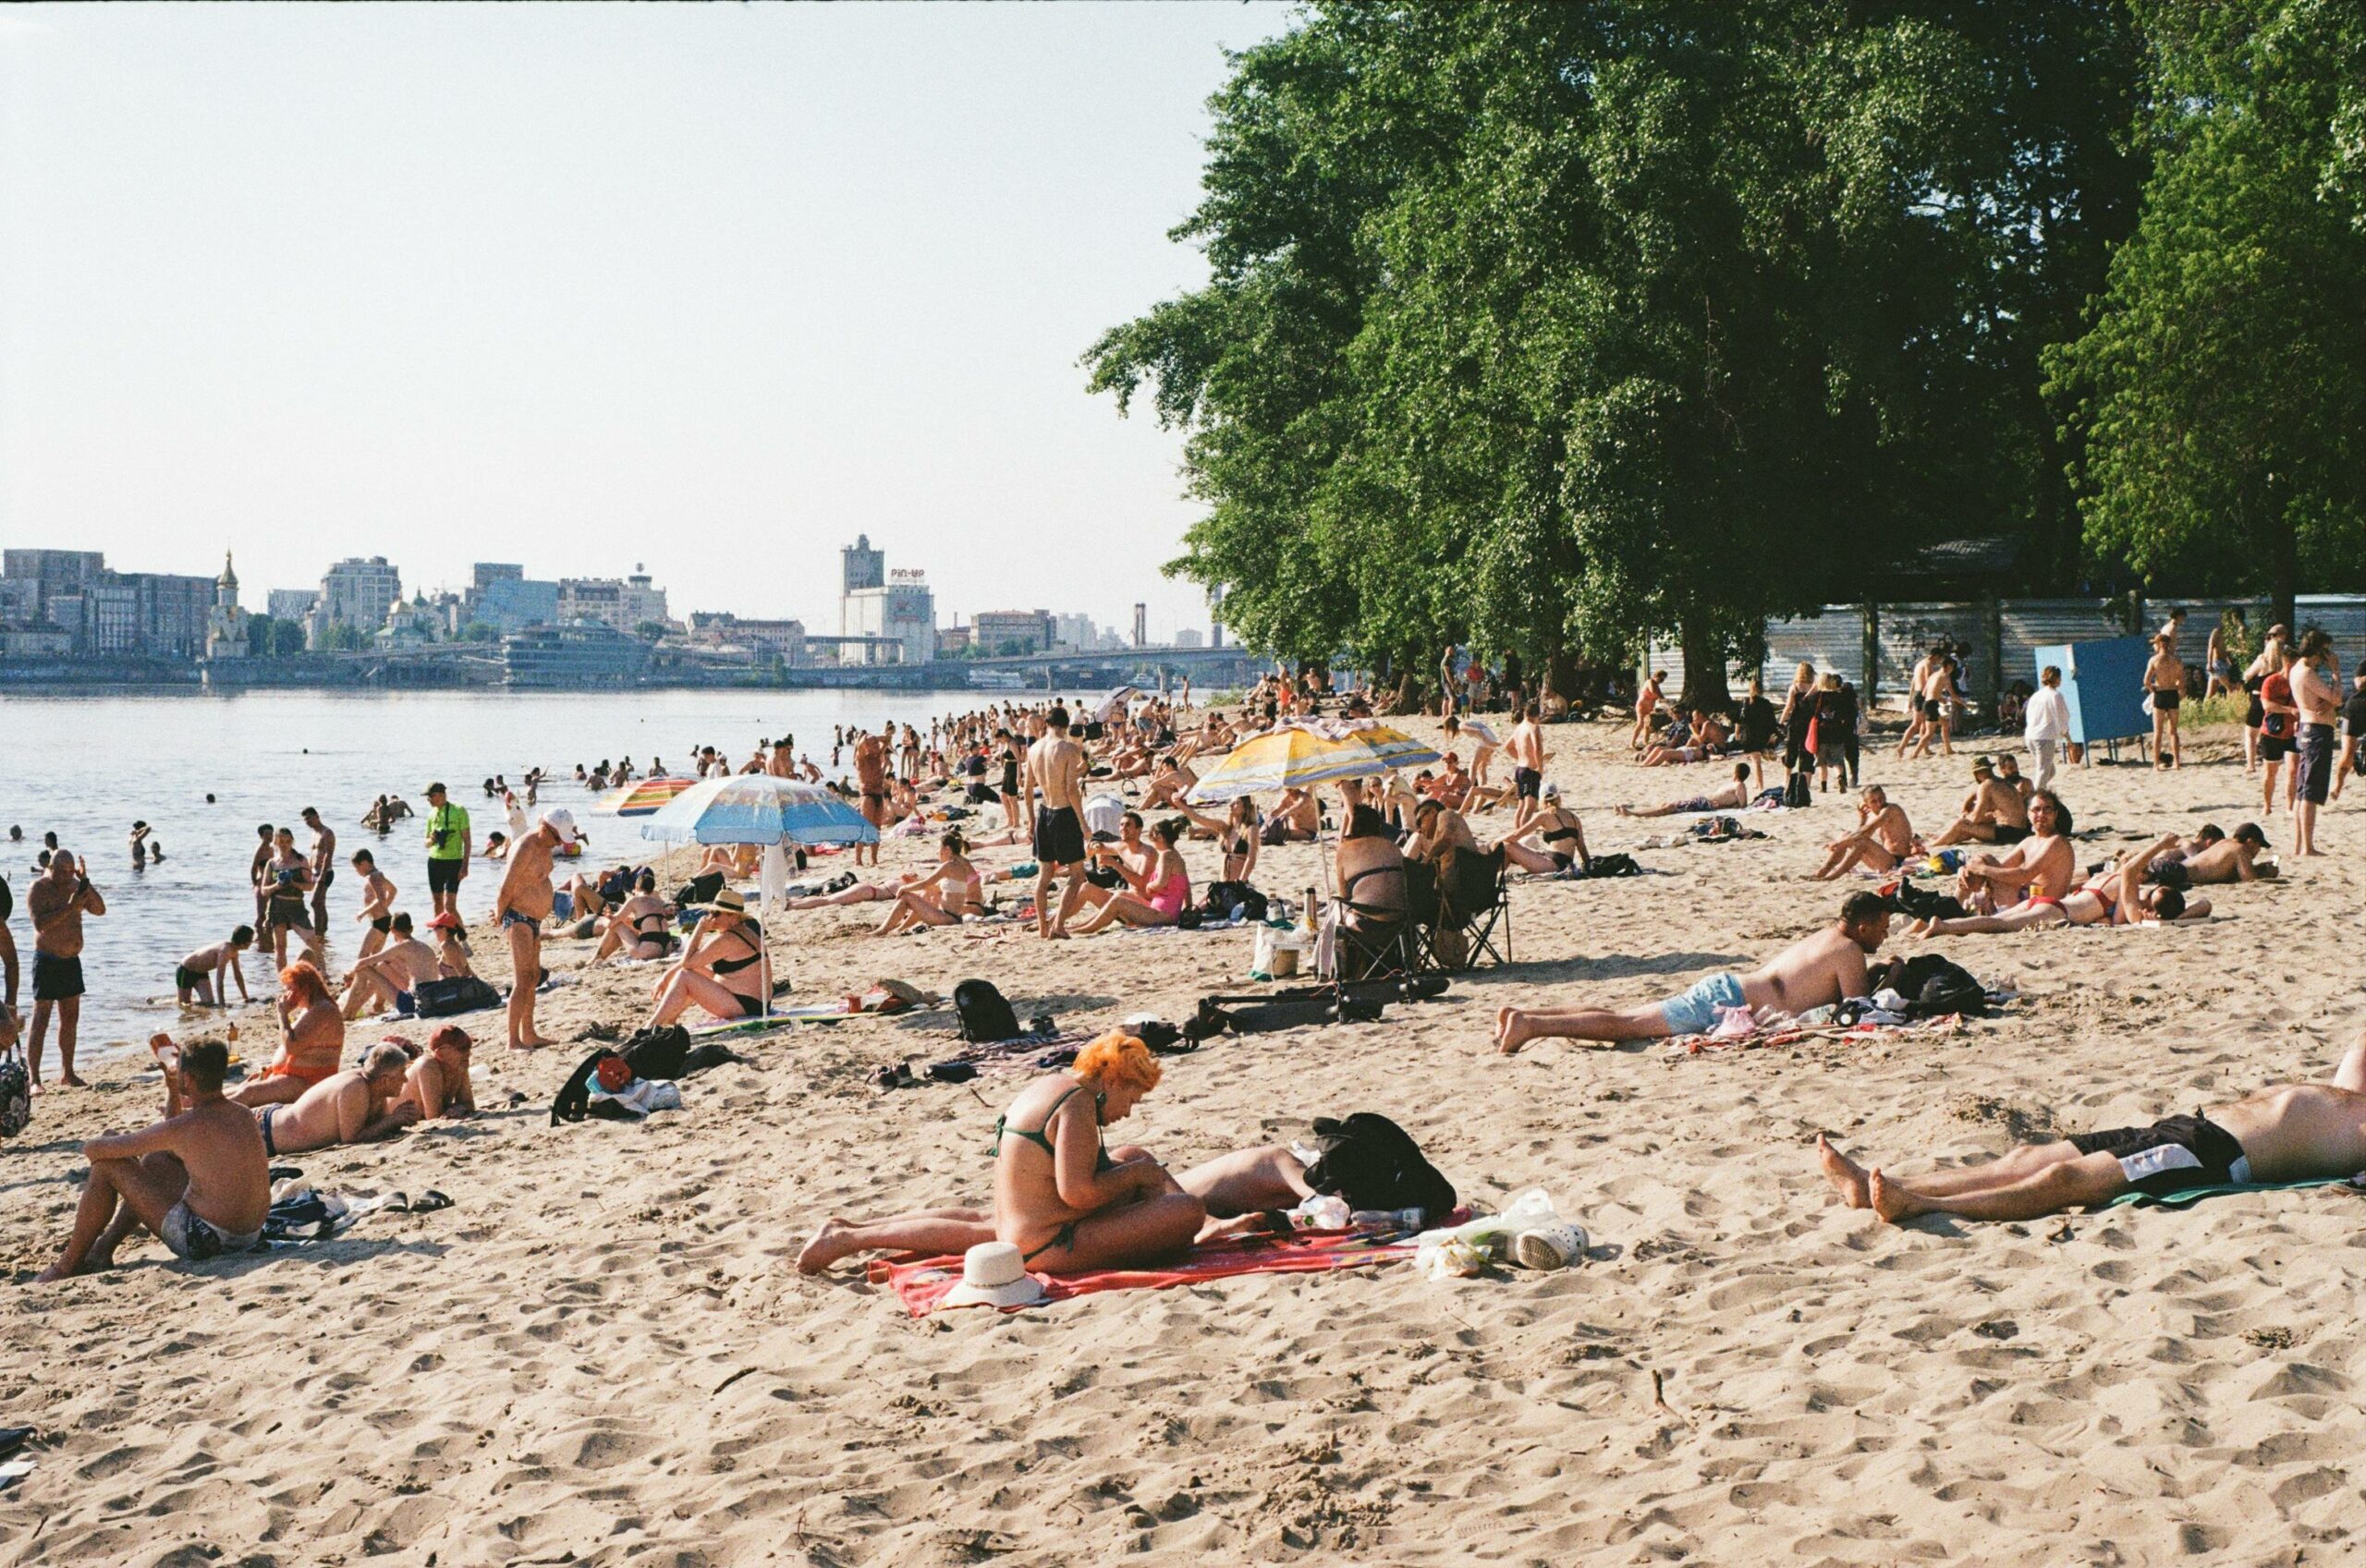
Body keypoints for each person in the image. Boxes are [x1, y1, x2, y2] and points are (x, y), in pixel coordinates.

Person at [1817, 1026, 2366, 1225]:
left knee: (2063, 1184)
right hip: (2184, 1127)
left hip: (2211, 1156)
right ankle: (1873, 1189)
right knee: (2027, 1159)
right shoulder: (2352, 1094)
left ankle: (1928, 1206)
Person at [795, 1030, 1204, 1275]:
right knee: (1186, 1211)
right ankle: (848, 1237)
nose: (1129, 1110)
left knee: (1134, 1154)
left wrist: (1136, 1168)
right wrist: (1135, 1177)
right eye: (1132, 1097)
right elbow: (1078, 1194)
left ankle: (850, 1233)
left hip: (1019, 1223)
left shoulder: (1054, 1086)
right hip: (1046, 1245)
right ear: (1113, 1080)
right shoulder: (1078, 1105)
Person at [1494, 892, 1895, 1052]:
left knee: (1627, 1015)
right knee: (1627, 1024)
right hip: (1728, 1002)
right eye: (1882, 926)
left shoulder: (1829, 938)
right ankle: (1530, 1024)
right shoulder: (1849, 950)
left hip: (1729, 989)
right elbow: (1858, 1010)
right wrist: (1888, 975)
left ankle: (1528, 1016)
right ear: (1862, 927)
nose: (1885, 933)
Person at [33, 1039, 269, 1281]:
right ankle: (102, 1249)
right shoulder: (242, 1113)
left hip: (207, 1240)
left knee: (107, 1165)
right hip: (248, 1235)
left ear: (187, 1078)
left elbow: (94, 1150)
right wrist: (172, 1090)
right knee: (157, 1161)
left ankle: (68, 1264)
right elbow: (171, 1147)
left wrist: (119, 1152)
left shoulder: (187, 1126)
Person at [1908, 833, 2209, 936]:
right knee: (1996, 925)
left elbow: (2205, 904)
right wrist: (2158, 845)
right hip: (2055, 911)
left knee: (1993, 922)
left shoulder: (2110, 881)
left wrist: (2165, 914)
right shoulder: (2129, 901)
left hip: (2049, 904)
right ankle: (1943, 926)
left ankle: (1935, 924)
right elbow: (2203, 906)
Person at [246, 1043, 421, 1158]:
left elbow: (377, 1126)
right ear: (385, 1079)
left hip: (272, 1123)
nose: (405, 1080)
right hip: (262, 1132)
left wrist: (400, 1118)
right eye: (401, 1074)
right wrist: (393, 1119)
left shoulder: (374, 1086)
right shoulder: (355, 1088)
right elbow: (351, 1138)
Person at [493, 810, 575, 1050]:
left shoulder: (545, 846)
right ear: (545, 828)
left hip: (533, 920)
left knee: (533, 977)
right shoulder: (525, 847)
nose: (559, 844)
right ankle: (512, 1040)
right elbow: (506, 886)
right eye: (558, 838)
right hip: (517, 916)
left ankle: (529, 1034)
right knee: (522, 979)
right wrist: (499, 915)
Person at [26, 849, 104, 1090]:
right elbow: (40, 925)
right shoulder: (39, 888)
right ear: (50, 867)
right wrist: (70, 908)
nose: (66, 876)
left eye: (70, 871)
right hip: (48, 959)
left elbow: (100, 910)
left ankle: (67, 1073)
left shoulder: (76, 884)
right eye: (62, 871)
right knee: (41, 1018)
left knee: (70, 1019)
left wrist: (85, 883)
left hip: (70, 961)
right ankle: (35, 1079)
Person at [233, 961, 346, 1103]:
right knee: (228, 1092)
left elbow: (292, 1047)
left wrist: (282, 1014)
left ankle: (202, 1118)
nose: (286, 995)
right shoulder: (310, 1009)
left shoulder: (323, 1010)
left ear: (305, 988)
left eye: (290, 989)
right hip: (291, 1077)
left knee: (247, 1093)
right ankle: (197, 1110)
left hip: (309, 1081)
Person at [1950, 789, 2077, 912]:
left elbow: (2025, 874)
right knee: (1981, 860)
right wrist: (1967, 868)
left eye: (2047, 810)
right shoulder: (2029, 841)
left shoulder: (2057, 842)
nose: (2041, 815)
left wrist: (1981, 869)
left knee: (1983, 862)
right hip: (2021, 897)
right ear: (2028, 814)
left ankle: (1954, 908)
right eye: (2036, 810)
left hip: (2040, 906)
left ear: (2055, 814)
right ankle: (1954, 907)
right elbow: (2001, 868)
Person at [1025, 707, 1090, 940]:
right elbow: (1071, 790)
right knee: (1076, 874)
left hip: (1044, 812)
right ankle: (1059, 925)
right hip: (1064, 813)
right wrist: (1083, 823)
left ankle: (1043, 927)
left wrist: (1031, 820)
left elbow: (1027, 790)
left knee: (1044, 876)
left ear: (1047, 724)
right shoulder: (1069, 748)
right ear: (1064, 727)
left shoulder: (1033, 748)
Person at [1072, 818, 1191, 934]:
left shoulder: (1166, 856)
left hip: (1163, 915)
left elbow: (1160, 884)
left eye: (1151, 836)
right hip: (1165, 912)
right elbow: (1187, 887)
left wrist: (1150, 885)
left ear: (1159, 837)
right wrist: (1189, 909)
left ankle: (1086, 929)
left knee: (1118, 901)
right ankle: (1081, 926)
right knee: (1121, 894)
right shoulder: (1177, 857)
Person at [876, 830, 986, 933]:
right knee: (924, 896)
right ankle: (899, 927)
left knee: (906, 897)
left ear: (947, 849)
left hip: (949, 917)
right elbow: (936, 887)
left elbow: (927, 883)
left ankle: (883, 931)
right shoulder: (959, 865)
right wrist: (914, 882)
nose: (938, 853)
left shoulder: (949, 866)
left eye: (939, 849)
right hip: (953, 917)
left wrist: (903, 888)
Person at [2289, 628, 2339, 857]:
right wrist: (2336, 672)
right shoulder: (2307, 672)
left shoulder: (2297, 670)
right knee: (2309, 791)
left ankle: (2300, 845)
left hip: (2308, 729)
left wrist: (2330, 702)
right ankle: (2307, 846)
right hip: (2317, 731)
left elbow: (2326, 699)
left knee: (2302, 790)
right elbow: (2337, 697)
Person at [339, 914, 443, 1019]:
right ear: (411, 929)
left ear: (391, 930)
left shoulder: (401, 946)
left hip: (412, 1004)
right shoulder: (424, 947)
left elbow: (362, 963)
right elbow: (383, 962)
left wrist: (349, 974)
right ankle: (365, 1007)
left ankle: (347, 1012)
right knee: (382, 967)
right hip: (431, 998)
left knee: (364, 969)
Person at [1813, 786, 1918, 879]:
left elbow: (1868, 831)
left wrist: (1840, 843)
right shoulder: (1873, 815)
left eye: (1881, 798)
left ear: (1885, 796)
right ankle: (1821, 872)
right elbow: (1860, 836)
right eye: (1873, 801)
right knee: (1845, 835)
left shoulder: (1891, 809)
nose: (1879, 803)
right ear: (1866, 804)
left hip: (1896, 861)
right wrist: (1862, 819)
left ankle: (1835, 875)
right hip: (1881, 859)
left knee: (1858, 841)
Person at [1929, 757, 2031, 846]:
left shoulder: (1986, 785)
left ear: (1977, 773)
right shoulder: (2002, 782)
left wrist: (1964, 817)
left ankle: (1934, 845)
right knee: (1968, 828)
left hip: (2009, 833)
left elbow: (1976, 818)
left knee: (1961, 824)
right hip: (2022, 831)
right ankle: (1942, 838)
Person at [1494, 783, 1590, 876]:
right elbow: (1582, 847)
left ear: (1541, 800)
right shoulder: (1574, 817)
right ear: (1558, 798)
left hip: (1553, 865)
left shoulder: (1544, 815)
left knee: (1507, 845)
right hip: (1566, 863)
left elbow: (1516, 835)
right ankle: (1495, 874)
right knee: (1524, 844)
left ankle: (1491, 874)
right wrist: (1589, 865)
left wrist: (1496, 841)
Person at [1613, 762, 1752, 818]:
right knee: (1667, 805)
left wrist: (1722, 806)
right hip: (1703, 801)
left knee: (1669, 808)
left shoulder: (1739, 785)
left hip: (1706, 804)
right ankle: (1633, 812)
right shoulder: (1733, 784)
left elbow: (1742, 805)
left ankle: (1634, 814)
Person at [592, 871, 675, 962]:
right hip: (666, 949)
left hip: (649, 951)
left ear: (636, 887)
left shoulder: (635, 900)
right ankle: (598, 958)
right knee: (623, 928)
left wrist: (605, 918)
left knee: (616, 925)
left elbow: (612, 923)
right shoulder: (659, 902)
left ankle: (596, 958)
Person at [399, 1025, 477, 1120]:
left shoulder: (457, 1064)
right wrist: (456, 1108)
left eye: (469, 1047)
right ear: (441, 1053)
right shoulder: (428, 1066)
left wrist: (460, 1108)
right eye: (462, 1049)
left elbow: (468, 1104)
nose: (469, 1053)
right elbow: (434, 1117)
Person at [422, 782, 471, 920]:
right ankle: (440, 935)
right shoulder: (432, 814)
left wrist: (465, 866)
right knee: (437, 902)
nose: (428, 799)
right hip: (434, 861)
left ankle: (463, 937)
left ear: (441, 795)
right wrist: (432, 839)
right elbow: (426, 843)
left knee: (449, 906)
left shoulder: (459, 810)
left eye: (431, 796)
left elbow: (467, 841)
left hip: (454, 862)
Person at [175, 927, 255, 1007]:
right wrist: (222, 1003)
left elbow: (238, 975)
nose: (252, 942)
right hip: (186, 970)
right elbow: (219, 980)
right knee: (184, 1004)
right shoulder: (225, 950)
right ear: (243, 942)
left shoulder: (234, 951)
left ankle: (196, 1007)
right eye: (251, 940)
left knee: (209, 1003)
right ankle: (169, 1005)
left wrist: (245, 998)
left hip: (201, 973)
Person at [2141, 632, 2187, 769]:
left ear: (2160, 644)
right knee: (2173, 731)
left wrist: (2153, 688)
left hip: (2160, 694)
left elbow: (2146, 681)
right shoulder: (2177, 660)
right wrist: (2174, 687)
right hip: (2172, 694)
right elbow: (2182, 682)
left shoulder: (2154, 660)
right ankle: (2177, 763)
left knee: (2158, 732)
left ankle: (2156, 763)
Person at [2023, 664, 2069, 791]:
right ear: (2057, 679)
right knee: (2043, 771)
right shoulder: (2055, 695)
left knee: (2050, 770)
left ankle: (2032, 790)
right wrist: (2067, 735)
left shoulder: (2036, 695)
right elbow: (2061, 717)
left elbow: (2029, 716)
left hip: (2030, 736)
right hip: (2044, 737)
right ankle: (2033, 796)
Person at [349, 847, 397, 966]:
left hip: (380, 922)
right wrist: (384, 907)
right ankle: (371, 983)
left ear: (364, 863)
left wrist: (363, 912)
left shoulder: (372, 877)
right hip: (385, 921)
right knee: (373, 959)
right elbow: (393, 890)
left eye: (356, 868)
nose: (356, 871)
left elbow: (380, 898)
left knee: (362, 956)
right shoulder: (379, 875)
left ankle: (360, 983)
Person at [851, 729, 891, 867]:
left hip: (879, 794)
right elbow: (860, 744)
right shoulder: (861, 758)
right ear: (867, 745)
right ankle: (858, 859)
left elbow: (887, 739)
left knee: (877, 827)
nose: (876, 746)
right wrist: (869, 738)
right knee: (865, 827)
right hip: (867, 795)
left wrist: (876, 738)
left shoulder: (877, 756)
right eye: (873, 744)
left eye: (876, 744)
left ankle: (874, 858)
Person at [299, 806, 337, 929]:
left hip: (325, 872)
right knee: (320, 903)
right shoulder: (314, 833)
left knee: (315, 903)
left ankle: (318, 933)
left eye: (310, 818)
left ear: (317, 816)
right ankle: (323, 932)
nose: (308, 822)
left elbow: (328, 855)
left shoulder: (327, 833)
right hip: (314, 872)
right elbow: (313, 854)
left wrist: (322, 875)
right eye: (305, 820)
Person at [426, 910, 475, 979]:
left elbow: (460, 970)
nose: (434, 932)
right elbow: (467, 968)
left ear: (444, 929)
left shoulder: (446, 946)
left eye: (435, 929)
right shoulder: (455, 944)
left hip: (452, 985)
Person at [1629, 670, 1665, 750]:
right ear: (1656, 676)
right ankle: (1632, 743)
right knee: (1640, 724)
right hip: (1642, 705)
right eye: (1660, 679)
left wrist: (1664, 700)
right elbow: (1653, 691)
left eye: (1663, 680)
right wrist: (1660, 697)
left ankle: (1646, 742)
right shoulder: (1650, 682)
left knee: (1648, 725)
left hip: (1649, 707)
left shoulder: (1657, 685)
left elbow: (1661, 696)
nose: (1661, 681)